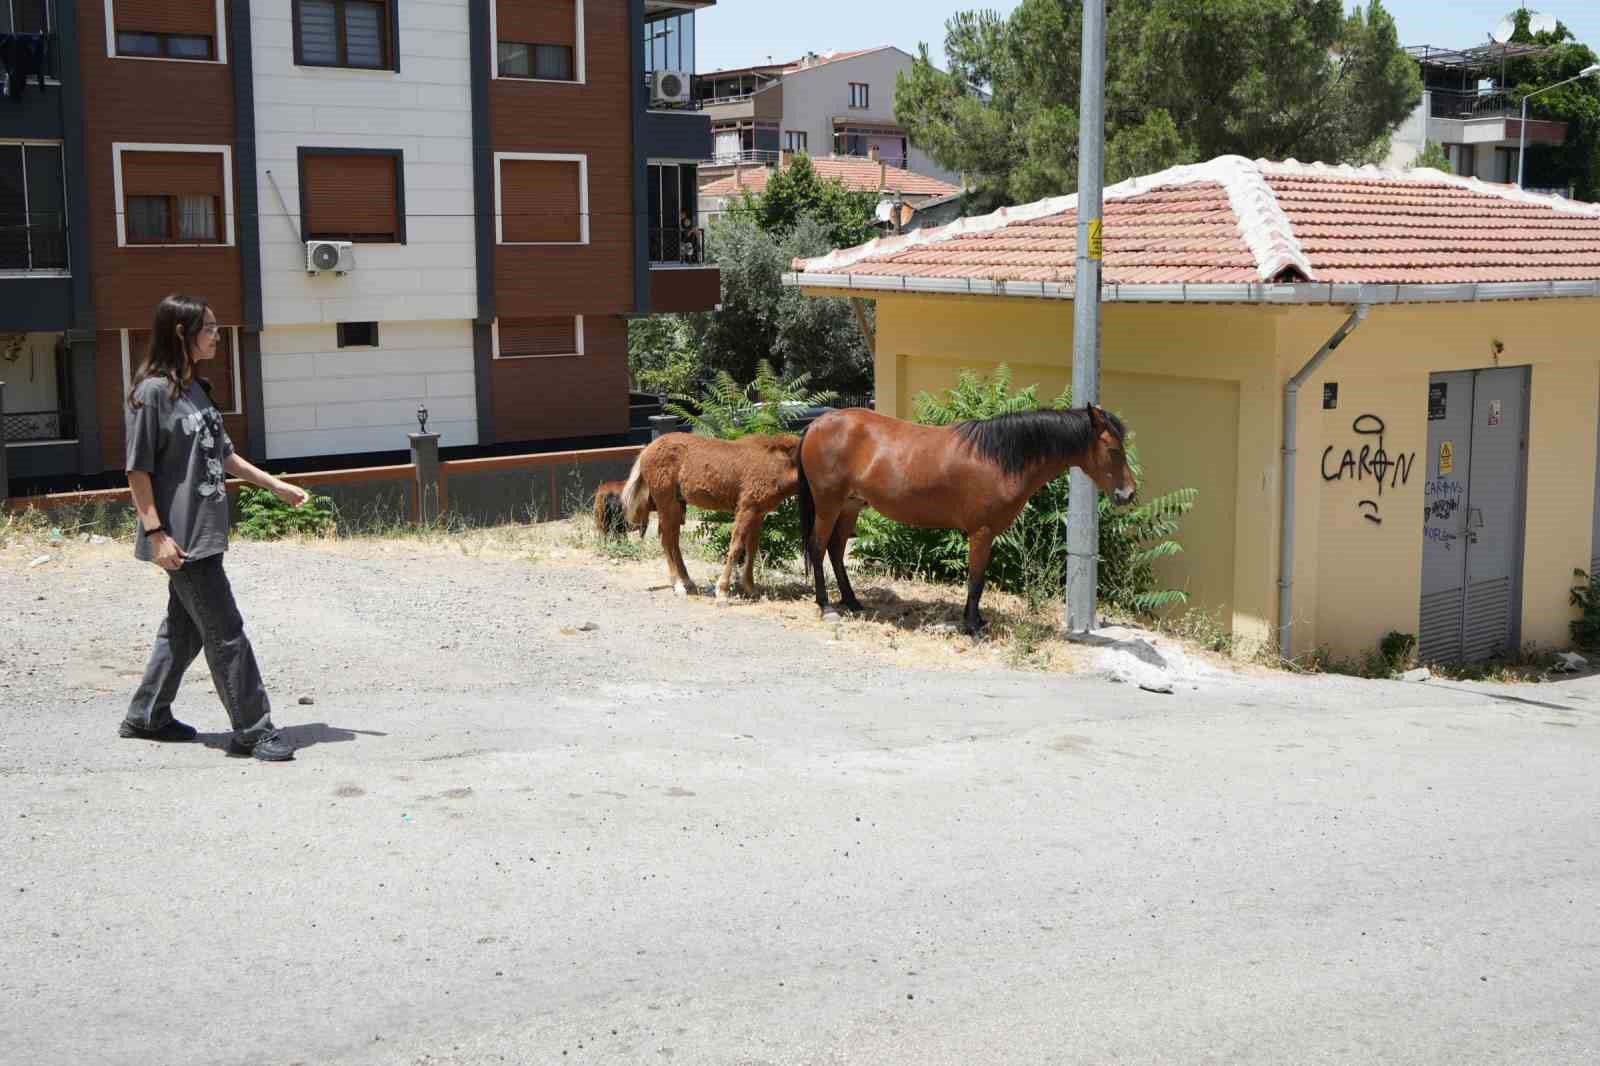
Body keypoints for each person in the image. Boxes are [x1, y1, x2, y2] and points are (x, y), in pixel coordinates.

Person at [120, 294, 310, 762]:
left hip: (205, 532)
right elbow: (137, 471)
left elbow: (223, 455)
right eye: (209, 328)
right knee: (226, 632)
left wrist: (274, 486)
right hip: (180, 538)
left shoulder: (196, 390)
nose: (217, 335)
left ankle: (147, 715)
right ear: (182, 333)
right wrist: (156, 534)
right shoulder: (152, 394)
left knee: (182, 631)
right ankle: (253, 728)